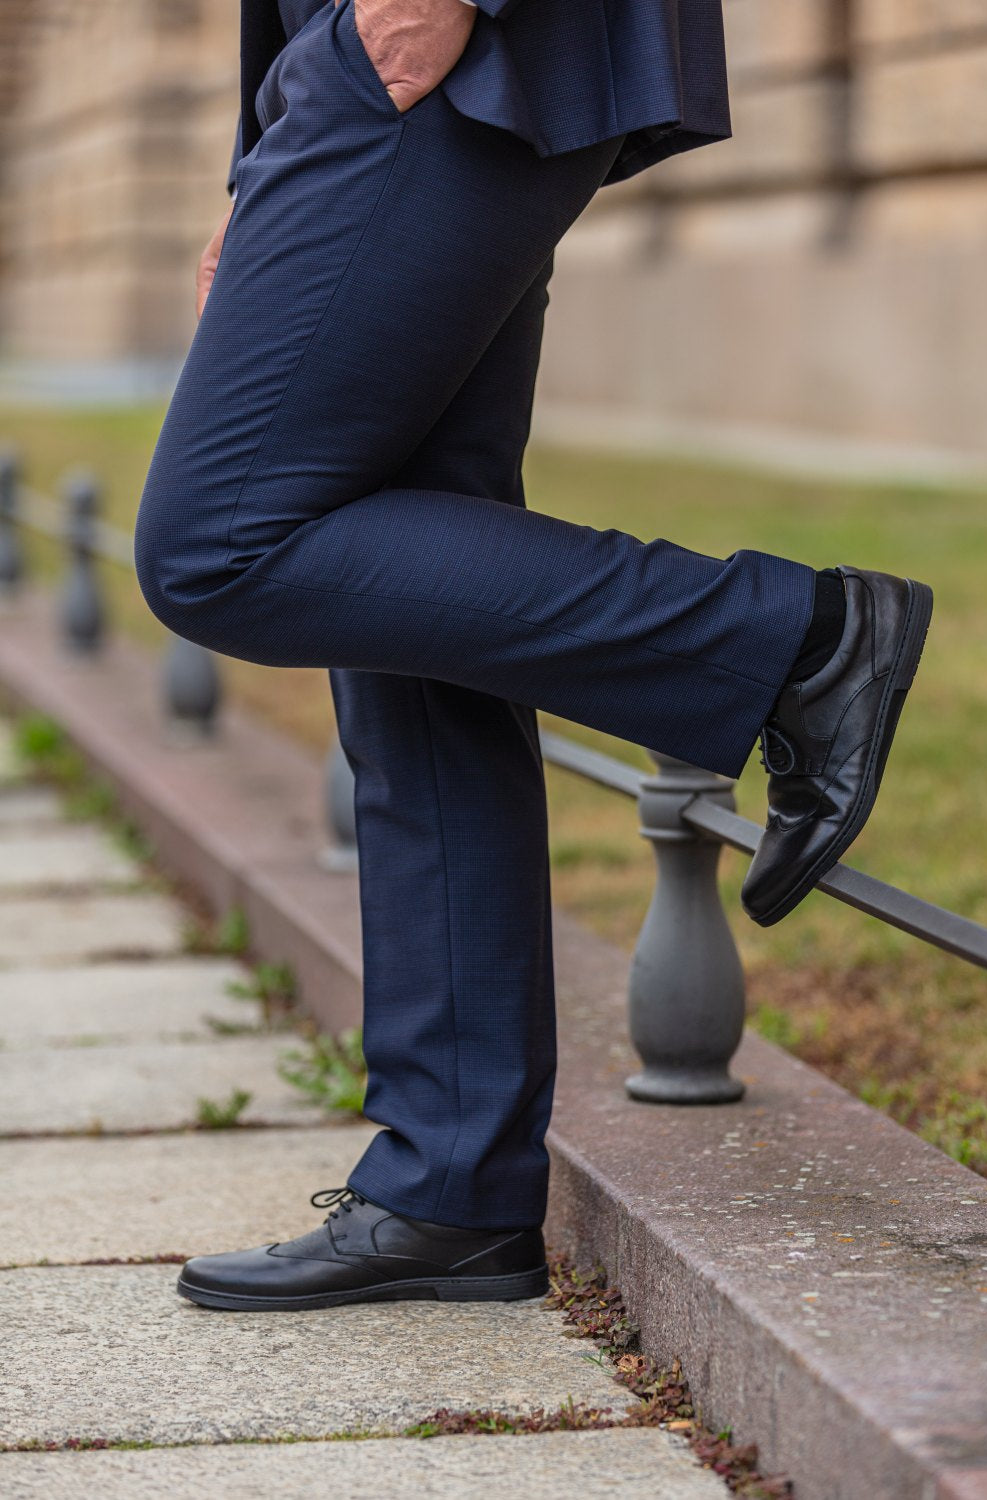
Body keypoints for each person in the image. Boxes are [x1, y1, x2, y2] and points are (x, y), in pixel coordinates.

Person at [133, 0, 932, 1311]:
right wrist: (267, 138)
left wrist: (412, 17)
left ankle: (796, 643)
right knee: (404, 598)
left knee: (219, 545)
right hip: (392, 58)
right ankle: (450, 1184)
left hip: (439, 44)